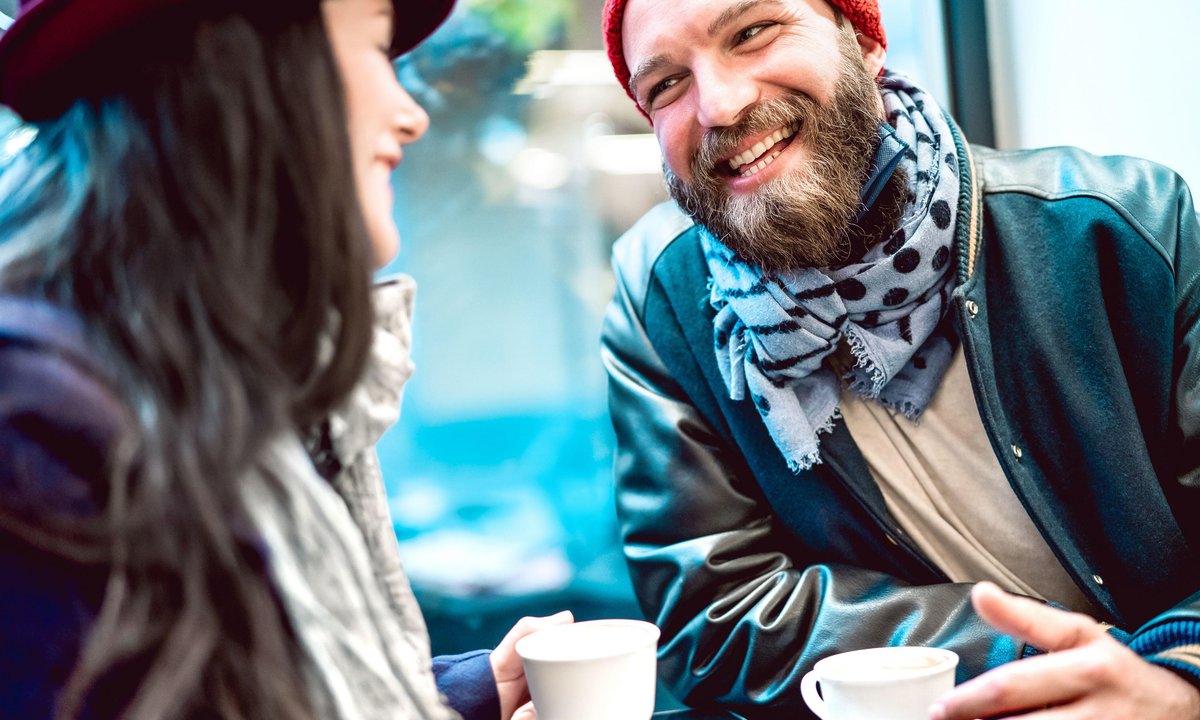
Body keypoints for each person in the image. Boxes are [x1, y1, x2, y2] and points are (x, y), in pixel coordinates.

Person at [598, 0, 1200, 718]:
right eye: (665, 85)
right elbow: (717, 616)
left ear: (863, 42)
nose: (721, 105)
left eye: (752, 32)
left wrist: (1176, 677)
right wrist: (1037, 661)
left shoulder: (1122, 225)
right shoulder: (664, 300)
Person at [0, 1, 569, 718]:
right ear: (231, 67)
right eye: (371, 48)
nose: (412, 113)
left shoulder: (217, 394)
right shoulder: (37, 431)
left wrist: (469, 694)